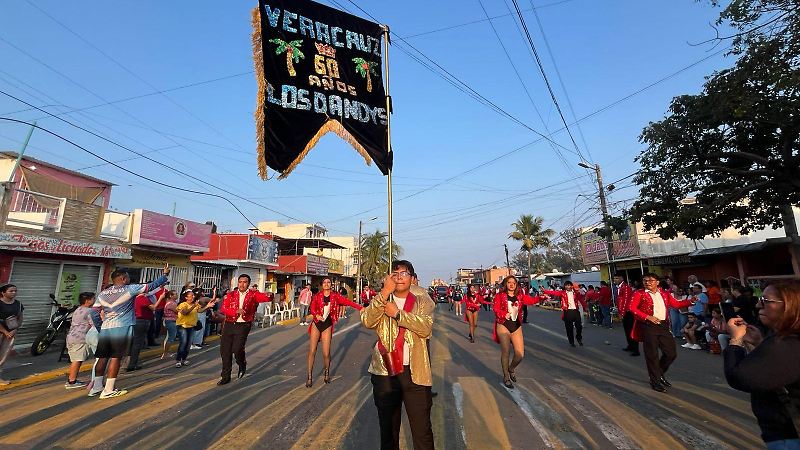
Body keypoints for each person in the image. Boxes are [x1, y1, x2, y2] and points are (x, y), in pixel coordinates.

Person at [361, 260, 435, 450]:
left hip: (416, 373)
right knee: (388, 432)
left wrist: (398, 315)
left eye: (405, 273)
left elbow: (426, 328)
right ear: (389, 278)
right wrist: (385, 292)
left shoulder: (422, 300)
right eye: (395, 273)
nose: (399, 276)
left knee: (422, 432)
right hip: (385, 371)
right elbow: (367, 321)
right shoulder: (382, 299)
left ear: (412, 278)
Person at [724, 281, 800, 448]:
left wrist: (736, 340)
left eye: (766, 300)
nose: (758, 305)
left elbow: (739, 376)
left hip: (788, 432)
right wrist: (760, 343)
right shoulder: (784, 339)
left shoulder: (786, 343)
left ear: (789, 305)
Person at [89, 265, 170, 398]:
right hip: (122, 327)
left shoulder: (103, 293)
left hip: (106, 328)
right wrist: (165, 275)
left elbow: (94, 312)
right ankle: (108, 389)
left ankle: (96, 387)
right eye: (127, 276)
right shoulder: (129, 289)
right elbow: (151, 286)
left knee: (102, 358)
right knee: (116, 358)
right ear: (123, 278)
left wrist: (100, 326)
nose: (128, 278)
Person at [629, 273, 693, 392]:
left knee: (671, 353)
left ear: (657, 282)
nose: (647, 283)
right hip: (648, 326)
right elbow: (632, 308)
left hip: (663, 325)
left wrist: (691, 302)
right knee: (652, 354)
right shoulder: (639, 293)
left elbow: (677, 304)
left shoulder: (664, 294)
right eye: (645, 281)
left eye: (650, 280)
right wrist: (648, 317)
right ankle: (655, 381)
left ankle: (658, 373)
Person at [305, 278, 363, 387]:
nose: (326, 284)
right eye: (324, 282)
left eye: (328, 282)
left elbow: (348, 302)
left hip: (327, 325)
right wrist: (316, 315)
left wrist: (361, 308)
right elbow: (312, 308)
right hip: (316, 323)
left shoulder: (335, 296)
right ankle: (309, 376)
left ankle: (326, 372)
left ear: (331, 285)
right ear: (322, 285)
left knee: (326, 353)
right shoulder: (317, 296)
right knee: (312, 351)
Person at [217, 274, 272, 385]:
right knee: (225, 351)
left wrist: (270, 295)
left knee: (237, 349)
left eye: (245, 282)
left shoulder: (253, 294)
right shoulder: (231, 295)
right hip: (229, 324)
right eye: (240, 282)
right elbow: (223, 309)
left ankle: (242, 363)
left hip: (243, 325)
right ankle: (225, 376)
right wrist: (235, 311)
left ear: (248, 284)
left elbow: (265, 297)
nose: (242, 284)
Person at [492, 275, 542, 388]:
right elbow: (495, 308)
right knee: (506, 352)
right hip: (503, 324)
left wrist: (541, 298)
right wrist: (503, 314)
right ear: (506, 284)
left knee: (520, 354)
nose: (511, 284)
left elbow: (531, 300)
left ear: (516, 285)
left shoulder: (520, 295)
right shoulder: (500, 295)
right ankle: (506, 376)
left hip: (516, 326)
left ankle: (511, 368)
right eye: (509, 282)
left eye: (513, 283)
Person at [128, 288, 167, 372]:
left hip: (137, 320)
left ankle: (131, 362)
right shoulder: (142, 298)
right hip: (141, 321)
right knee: (137, 343)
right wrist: (160, 298)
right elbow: (153, 308)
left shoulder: (135, 298)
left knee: (135, 343)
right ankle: (132, 364)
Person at [175, 289, 216, 369]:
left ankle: (184, 359)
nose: (193, 297)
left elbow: (200, 311)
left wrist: (207, 306)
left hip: (191, 326)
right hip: (182, 326)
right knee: (183, 343)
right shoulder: (183, 304)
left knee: (188, 344)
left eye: (193, 295)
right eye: (191, 295)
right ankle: (178, 360)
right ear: (186, 297)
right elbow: (185, 312)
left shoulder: (195, 304)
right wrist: (194, 305)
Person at [65, 292, 97, 388]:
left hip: (72, 336)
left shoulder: (78, 309)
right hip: (80, 338)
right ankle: (72, 381)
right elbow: (94, 324)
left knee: (76, 359)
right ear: (87, 301)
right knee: (77, 360)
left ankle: (72, 379)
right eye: (93, 299)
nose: (94, 300)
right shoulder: (89, 311)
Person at [543, 281, 588, 347]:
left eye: (569, 285)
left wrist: (585, 307)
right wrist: (545, 291)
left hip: (575, 311)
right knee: (569, 328)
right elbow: (554, 292)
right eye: (566, 285)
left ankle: (578, 338)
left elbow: (581, 300)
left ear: (571, 286)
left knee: (579, 326)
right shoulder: (562, 293)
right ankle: (571, 341)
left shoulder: (576, 293)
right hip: (567, 312)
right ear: (565, 286)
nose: (568, 287)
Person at [0, 284, 23, 385]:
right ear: (3, 292)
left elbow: (20, 317)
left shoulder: (18, 304)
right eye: (11, 291)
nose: (14, 293)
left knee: (3, 354)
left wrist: (15, 329)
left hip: (11, 333)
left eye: (15, 291)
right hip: (2, 331)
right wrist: (4, 331)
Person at [614, 275, 638, 356]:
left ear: (622, 278)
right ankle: (630, 346)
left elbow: (626, 301)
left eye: (617, 278)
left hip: (628, 312)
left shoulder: (626, 287)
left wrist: (622, 313)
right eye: (614, 278)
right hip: (624, 312)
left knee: (631, 331)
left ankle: (636, 349)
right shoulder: (619, 287)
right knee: (627, 330)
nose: (615, 280)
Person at [160, 290, 178, 359]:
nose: (177, 295)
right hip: (170, 321)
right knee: (171, 338)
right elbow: (177, 311)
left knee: (168, 337)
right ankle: (165, 353)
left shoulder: (173, 302)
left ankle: (166, 352)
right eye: (175, 294)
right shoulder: (171, 303)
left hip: (170, 321)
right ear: (171, 296)